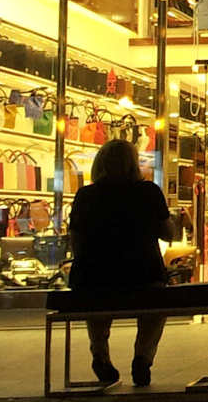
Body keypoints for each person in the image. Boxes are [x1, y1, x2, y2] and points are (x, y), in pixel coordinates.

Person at [68, 137, 173, 389]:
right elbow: (168, 233)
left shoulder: (85, 195)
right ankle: (143, 357)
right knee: (156, 305)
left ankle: (100, 354)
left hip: (93, 280)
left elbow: (76, 242)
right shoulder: (148, 192)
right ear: (134, 164)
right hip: (143, 277)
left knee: (96, 300)